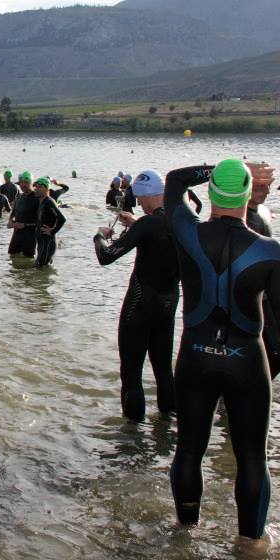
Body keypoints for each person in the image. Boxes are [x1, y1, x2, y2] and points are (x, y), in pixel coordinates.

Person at [165, 159, 280, 543]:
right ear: (248, 195)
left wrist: (221, 167)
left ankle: (185, 531)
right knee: (252, 457)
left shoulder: (187, 232)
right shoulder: (271, 251)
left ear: (212, 192)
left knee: (189, 449)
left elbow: (175, 180)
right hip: (247, 360)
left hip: (195, 355)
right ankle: (250, 544)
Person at [93, 170, 178, 421]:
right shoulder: (180, 220)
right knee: (164, 369)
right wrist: (135, 224)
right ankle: (167, 425)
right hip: (168, 303)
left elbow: (106, 256)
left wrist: (99, 236)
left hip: (140, 304)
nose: (139, 204)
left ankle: (132, 432)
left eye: (140, 199)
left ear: (148, 194)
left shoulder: (147, 224)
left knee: (131, 372)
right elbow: (158, 236)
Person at [246, 166, 279, 377]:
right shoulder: (240, 218)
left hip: (269, 297)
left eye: (268, 186)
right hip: (251, 300)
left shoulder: (265, 212)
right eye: (260, 186)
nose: (267, 191)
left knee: (274, 356)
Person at [33, 177, 66, 268]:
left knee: (42, 268)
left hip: (48, 243)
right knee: (39, 269)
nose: (36, 189)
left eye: (40, 187)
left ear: (47, 189)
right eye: (36, 186)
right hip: (42, 242)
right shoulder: (42, 202)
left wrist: (52, 231)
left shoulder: (49, 202)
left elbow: (62, 219)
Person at [7, 171, 40, 258]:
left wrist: (25, 225)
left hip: (30, 236)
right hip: (17, 234)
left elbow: (42, 221)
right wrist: (10, 221)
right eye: (21, 182)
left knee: (28, 259)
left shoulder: (37, 198)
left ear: (32, 183)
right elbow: (13, 213)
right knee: (11, 255)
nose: (23, 185)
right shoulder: (19, 197)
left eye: (26, 182)